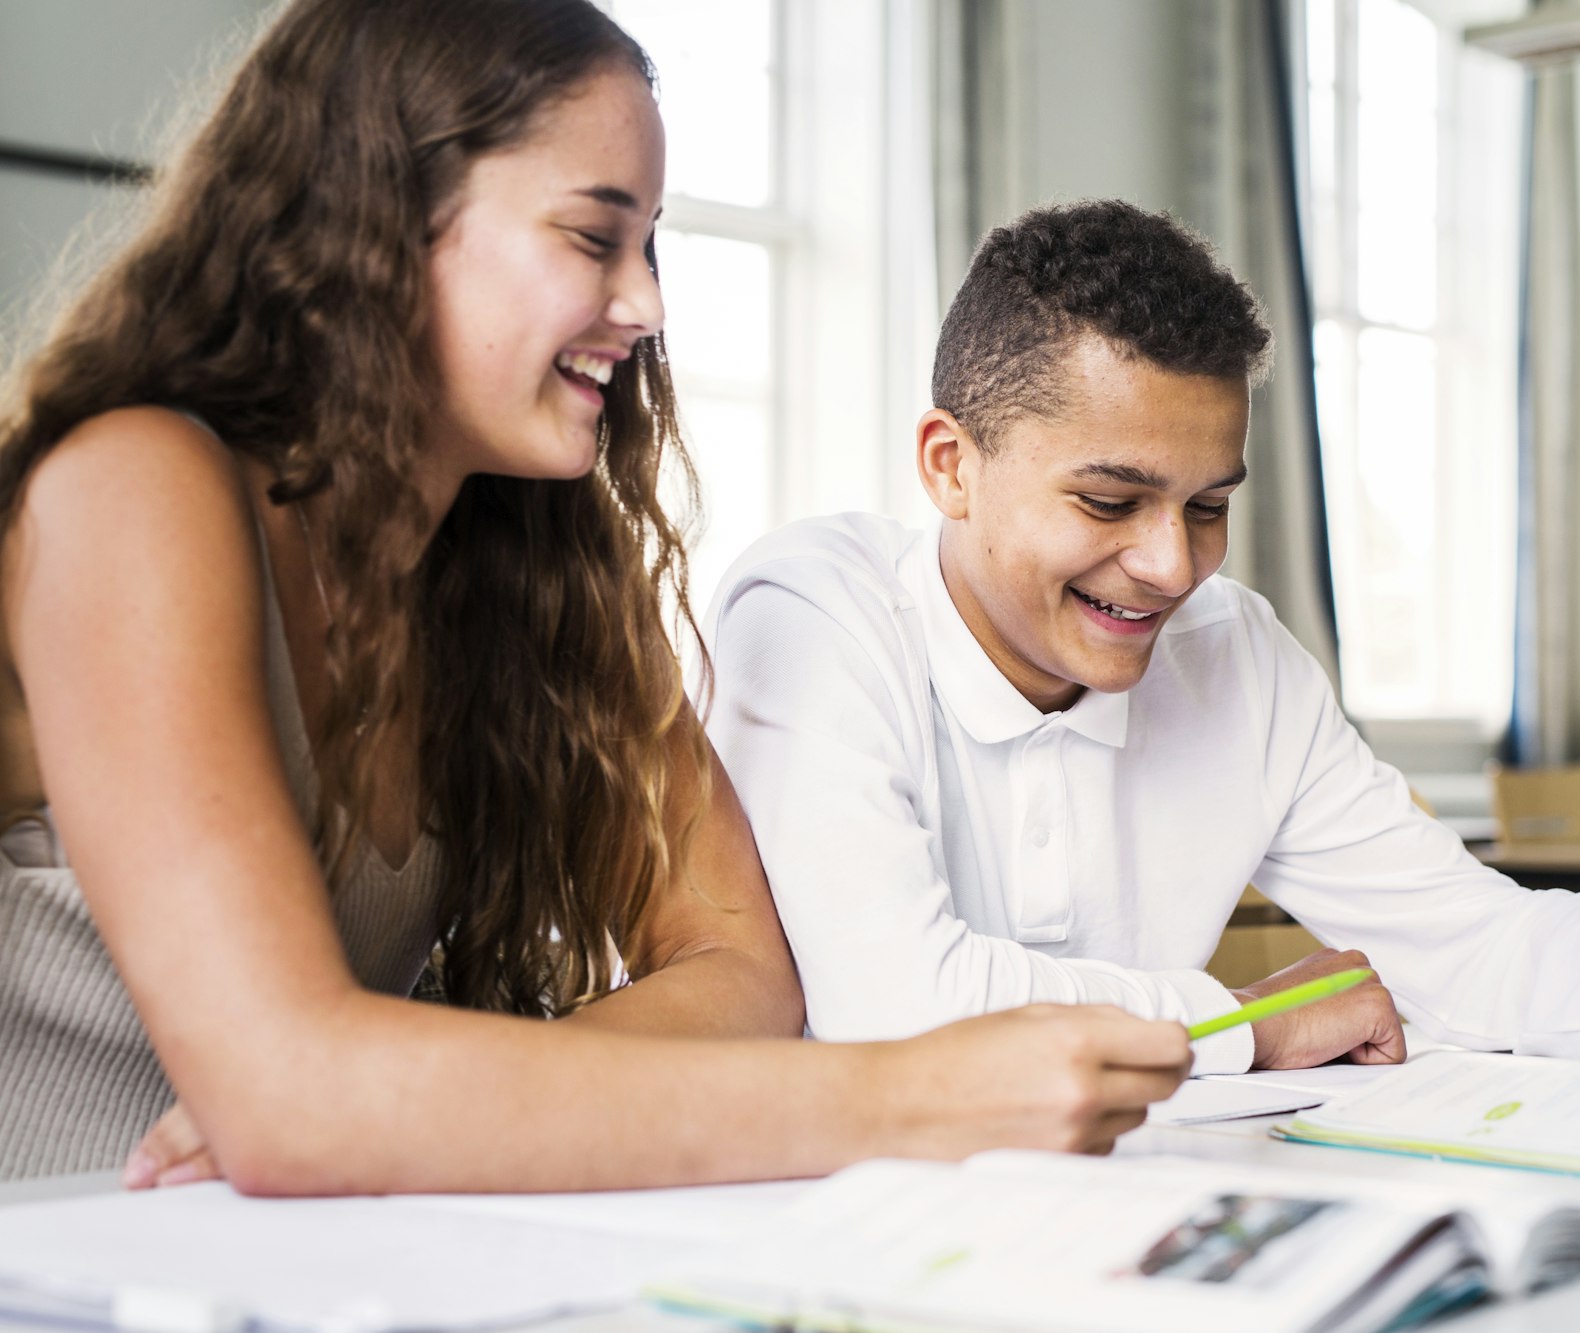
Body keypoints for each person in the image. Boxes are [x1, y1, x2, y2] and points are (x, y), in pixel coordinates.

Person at [0, 1, 1188, 1190]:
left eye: (650, 244)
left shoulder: (525, 567)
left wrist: (399, 1099)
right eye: (590, 238)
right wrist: (912, 1097)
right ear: (375, 223)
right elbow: (290, 1103)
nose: (649, 305)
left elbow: (740, 969)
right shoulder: (133, 483)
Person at [705, 200, 1580, 1077]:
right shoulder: (814, 611)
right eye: (1110, 502)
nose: (1173, 565)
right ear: (949, 466)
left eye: (1207, 505)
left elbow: (1461, 945)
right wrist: (1240, 1020)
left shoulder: (1235, 653)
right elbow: (892, 1006)